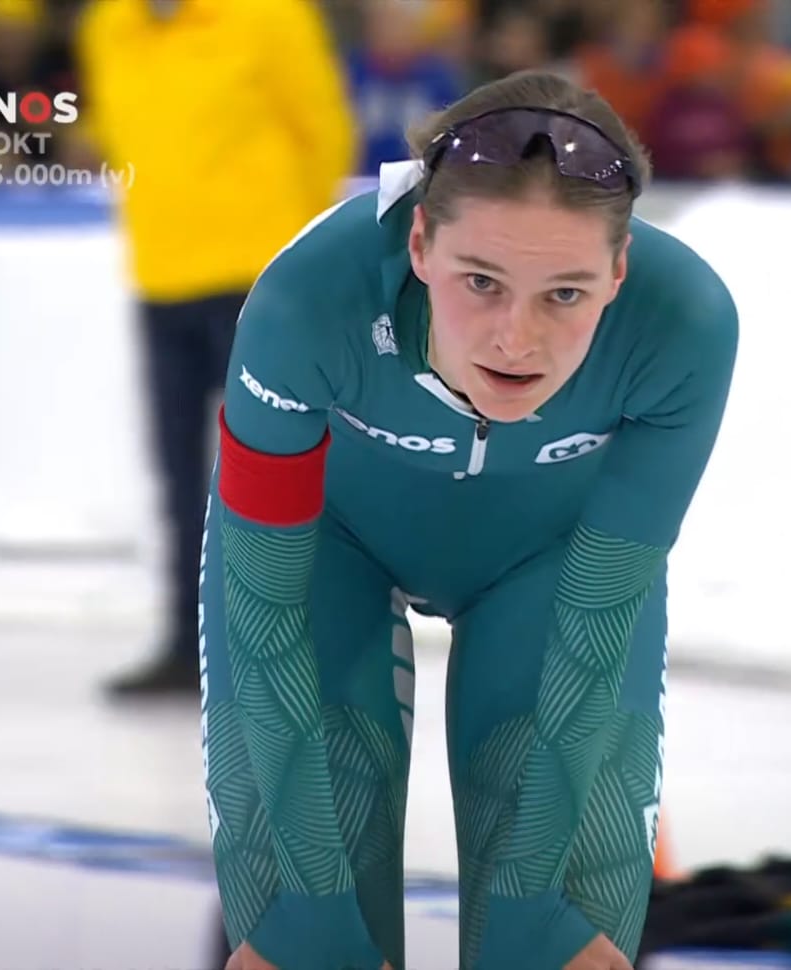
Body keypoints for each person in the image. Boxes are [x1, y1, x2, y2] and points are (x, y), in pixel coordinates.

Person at [201, 71, 738, 970]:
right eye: (480, 281)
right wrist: (306, 914)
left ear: (618, 272)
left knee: (551, 945)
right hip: (331, 552)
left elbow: (600, 615)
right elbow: (267, 610)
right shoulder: (307, 302)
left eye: (564, 294)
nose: (514, 339)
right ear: (418, 242)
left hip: (551, 565)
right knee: (308, 944)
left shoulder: (684, 324)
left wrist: (537, 911)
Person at [75, 0, 358, 699]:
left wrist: (301, 252)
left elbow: (324, 129)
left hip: (258, 274)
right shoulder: (110, 25)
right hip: (160, 273)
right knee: (176, 472)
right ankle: (186, 642)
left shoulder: (268, 16)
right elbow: (120, 134)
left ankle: (297, 650)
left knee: (279, 470)